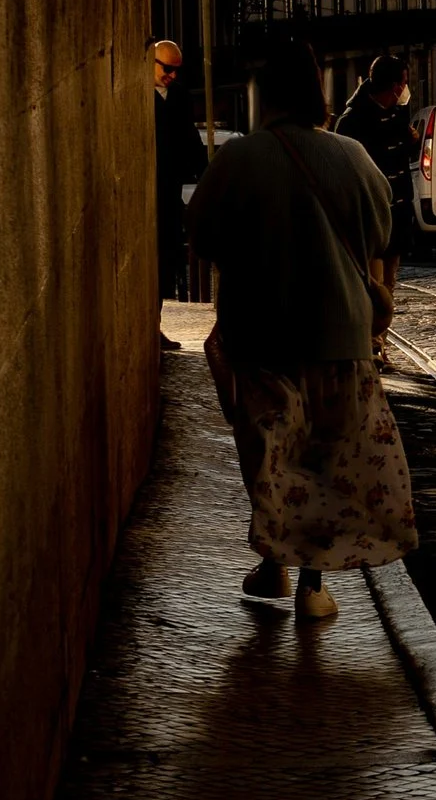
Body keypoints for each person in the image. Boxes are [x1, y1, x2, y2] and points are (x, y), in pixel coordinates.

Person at [187, 44, 417, 620]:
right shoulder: (356, 158)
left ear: (266, 97)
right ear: (318, 93)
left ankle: (274, 566)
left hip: (262, 340)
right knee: (324, 461)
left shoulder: (239, 161)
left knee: (269, 459)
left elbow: (204, 239)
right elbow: (382, 235)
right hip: (341, 341)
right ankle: (313, 581)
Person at [333, 55, 419, 286]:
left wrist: (411, 142)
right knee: (373, 281)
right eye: (404, 82)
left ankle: (384, 312)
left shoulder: (399, 110)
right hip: (370, 215)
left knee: (390, 276)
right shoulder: (352, 120)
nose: (406, 89)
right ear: (395, 87)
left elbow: (401, 151)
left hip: (398, 210)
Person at [152, 39, 206, 327]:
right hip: (152, 189)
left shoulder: (180, 97)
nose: (172, 75)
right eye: (167, 68)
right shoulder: (139, 95)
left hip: (170, 189)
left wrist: (204, 174)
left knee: (168, 261)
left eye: (176, 70)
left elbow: (190, 139)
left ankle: (157, 326)